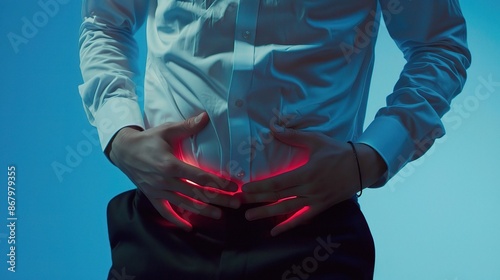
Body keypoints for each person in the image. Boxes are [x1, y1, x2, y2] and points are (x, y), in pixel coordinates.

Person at [78, 0, 471, 279]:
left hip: (314, 240)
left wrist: (367, 160)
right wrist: (120, 135)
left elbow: (439, 46)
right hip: (165, 227)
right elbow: (104, 23)